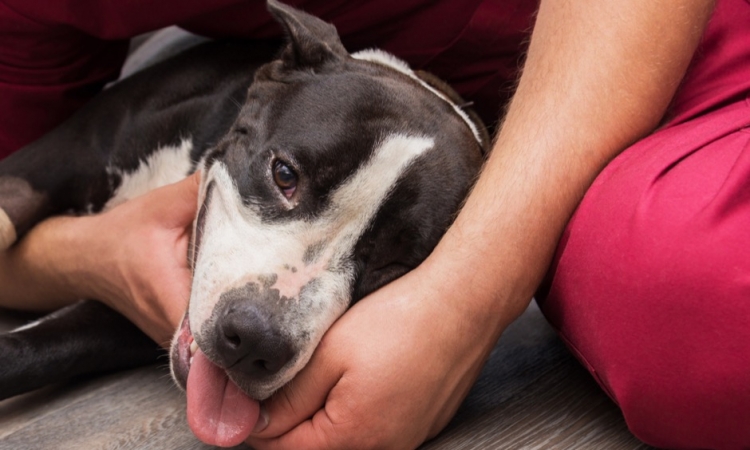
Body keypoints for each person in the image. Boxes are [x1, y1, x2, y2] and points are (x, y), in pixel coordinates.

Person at [1, 0, 749, 448]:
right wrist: (92, 255)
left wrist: (464, 302)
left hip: (677, 71)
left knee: (695, 315)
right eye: (286, 181)